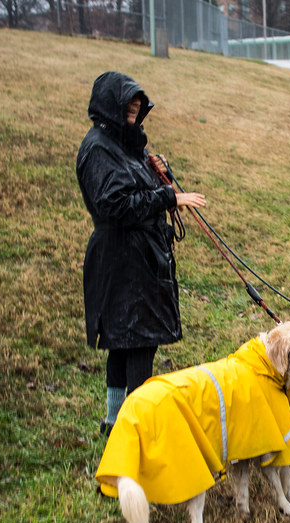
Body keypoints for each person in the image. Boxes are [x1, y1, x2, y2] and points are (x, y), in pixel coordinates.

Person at [76, 71, 206, 436]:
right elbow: (114, 205)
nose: (135, 107)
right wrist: (169, 196)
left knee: (125, 341)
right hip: (123, 261)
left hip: (137, 257)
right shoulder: (99, 148)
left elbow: (132, 190)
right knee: (136, 343)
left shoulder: (123, 145)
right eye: (128, 102)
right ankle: (136, 429)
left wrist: (155, 173)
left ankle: (116, 423)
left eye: (139, 103)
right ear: (109, 106)